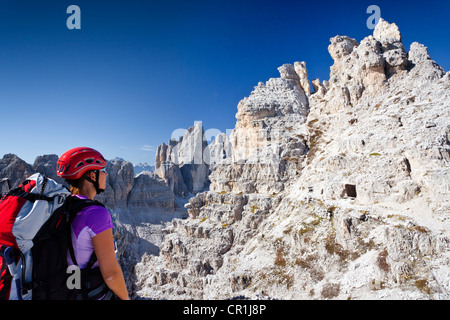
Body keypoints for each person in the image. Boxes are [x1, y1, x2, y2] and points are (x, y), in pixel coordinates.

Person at [56, 147, 130, 300]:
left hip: (67, 290)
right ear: (91, 175)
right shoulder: (96, 213)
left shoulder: (64, 204)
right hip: (88, 292)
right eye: (102, 170)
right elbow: (111, 274)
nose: (106, 174)